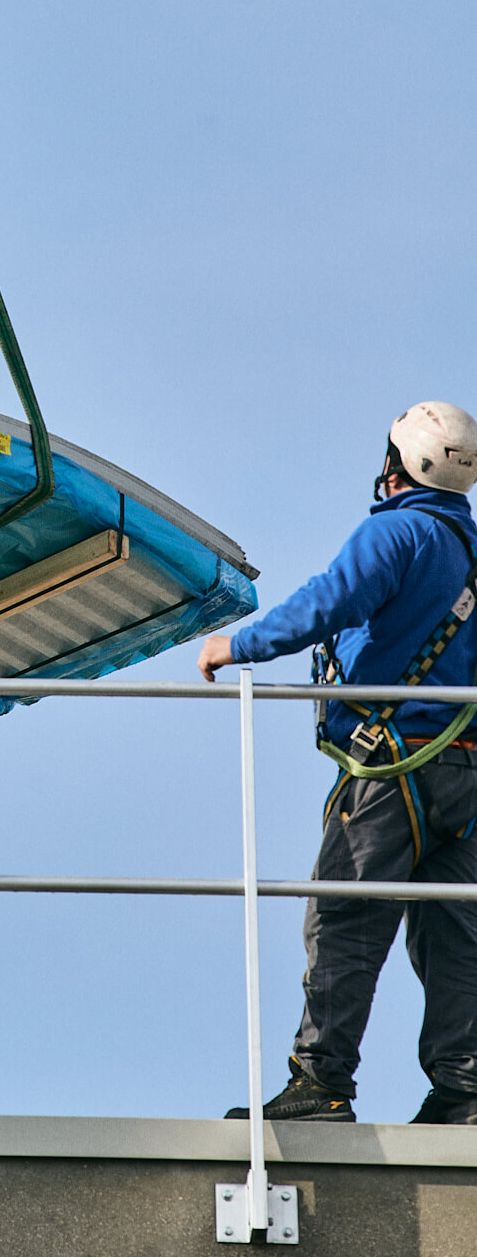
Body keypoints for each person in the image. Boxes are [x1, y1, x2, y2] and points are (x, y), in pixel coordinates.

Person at [199, 401, 477, 1125]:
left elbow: (330, 601)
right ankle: (465, 1092)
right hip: (466, 777)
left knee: (346, 917)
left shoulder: (399, 531)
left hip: (393, 768)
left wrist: (237, 645)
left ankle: (320, 1083)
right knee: (454, 934)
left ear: (397, 462)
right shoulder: (470, 550)